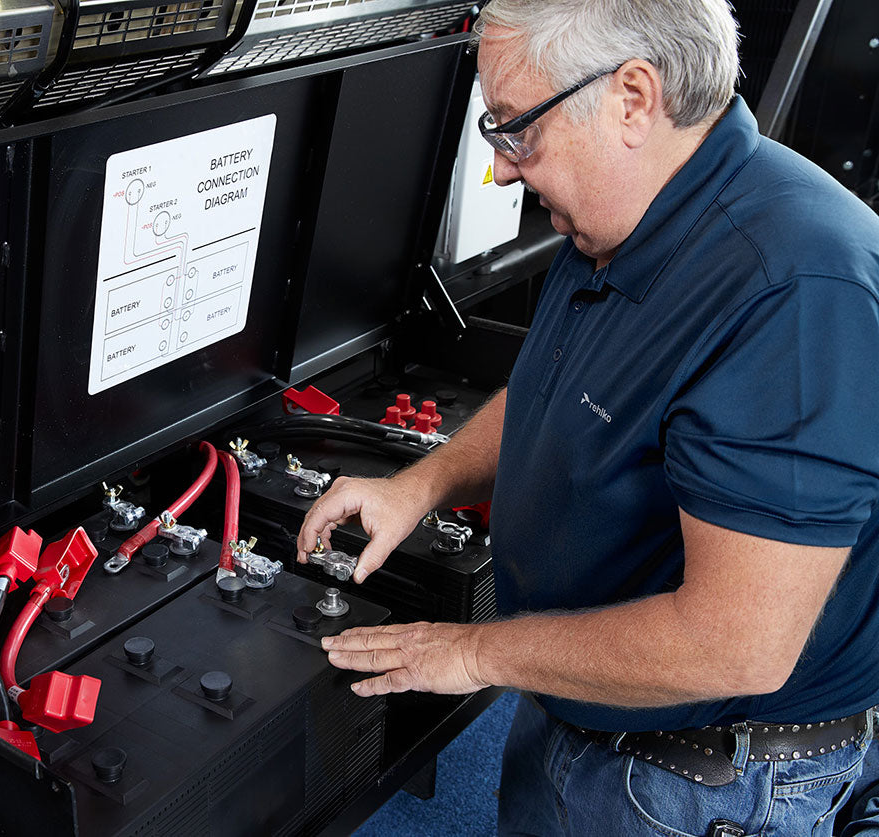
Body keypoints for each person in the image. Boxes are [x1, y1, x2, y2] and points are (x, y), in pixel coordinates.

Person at [296, 1, 879, 834]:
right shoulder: (624, 217)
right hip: (585, 697)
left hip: (699, 781)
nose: (499, 171)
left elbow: (735, 643)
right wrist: (420, 484)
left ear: (633, 99)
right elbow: (560, 393)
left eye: (515, 130)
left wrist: (472, 651)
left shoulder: (792, 294)